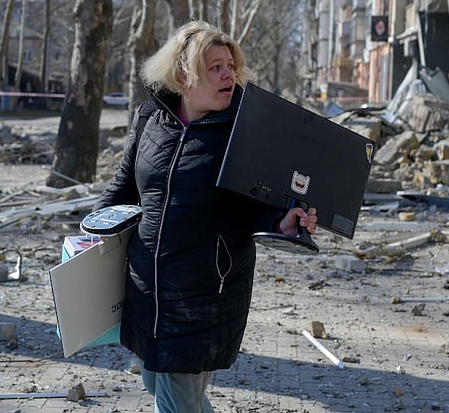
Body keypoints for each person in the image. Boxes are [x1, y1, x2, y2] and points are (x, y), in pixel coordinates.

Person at [94, 20, 318, 412]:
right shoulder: (150, 117)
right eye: (215, 67)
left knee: (176, 399)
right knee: (159, 383)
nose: (228, 74)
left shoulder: (245, 129)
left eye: (230, 66)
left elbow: (260, 206)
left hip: (205, 292)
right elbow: (124, 185)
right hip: (148, 285)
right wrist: (91, 231)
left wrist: (283, 222)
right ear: (183, 75)